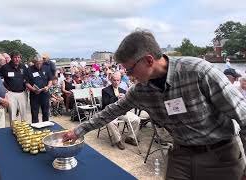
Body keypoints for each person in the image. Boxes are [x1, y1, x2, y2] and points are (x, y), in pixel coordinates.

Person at [63, 30, 246, 180]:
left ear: (149, 60)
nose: (128, 75)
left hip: (221, 156)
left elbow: (243, 116)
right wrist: (77, 131)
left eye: (129, 69)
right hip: (180, 155)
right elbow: (110, 112)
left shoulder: (199, 72)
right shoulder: (140, 90)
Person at [102, 72, 141, 150]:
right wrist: (116, 98)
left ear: (120, 81)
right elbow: (105, 104)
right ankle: (118, 140)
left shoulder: (123, 90)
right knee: (111, 122)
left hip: (122, 111)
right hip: (111, 112)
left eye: (118, 80)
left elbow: (128, 104)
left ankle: (130, 138)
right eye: (114, 80)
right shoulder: (105, 90)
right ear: (111, 80)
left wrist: (126, 100)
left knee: (136, 119)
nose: (116, 82)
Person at [0, 50, 28, 122]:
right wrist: (4, 88)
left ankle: (24, 130)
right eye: (15, 57)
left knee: (23, 113)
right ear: (11, 58)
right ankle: (13, 130)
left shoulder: (23, 67)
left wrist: (28, 86)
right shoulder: (5, 67)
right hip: (11, 93)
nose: (17, 59)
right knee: (12, 114)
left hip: (22, 92)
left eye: (19, 57)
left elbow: (27, 77)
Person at [25, 54, 53, 123]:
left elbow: (50, 80)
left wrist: (48, 87)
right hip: (34, 95)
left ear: (42, 62)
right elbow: (26, 83)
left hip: (45, 94)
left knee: (46, 113)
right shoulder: (29, 69)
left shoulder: (46, 68)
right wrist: (33, 89)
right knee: (34, 113)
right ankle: (36, 129)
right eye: (37, 64)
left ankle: (46, 127)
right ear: (34, 62)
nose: (39, 65)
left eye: (40, 63)